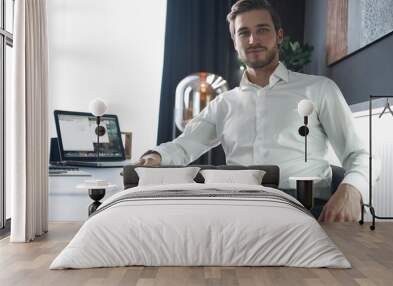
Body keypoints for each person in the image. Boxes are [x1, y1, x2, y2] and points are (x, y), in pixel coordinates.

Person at [137, 0, 379, 223]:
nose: (253, 39)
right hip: (238, 208)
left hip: (305, 209)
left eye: (262, 29)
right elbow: (183, 146)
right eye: (243, 32)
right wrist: (156, 157)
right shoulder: (223, 104)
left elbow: (359, 154)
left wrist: (352, 189)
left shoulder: (319, 89)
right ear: (235, 42)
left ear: (279, 36)